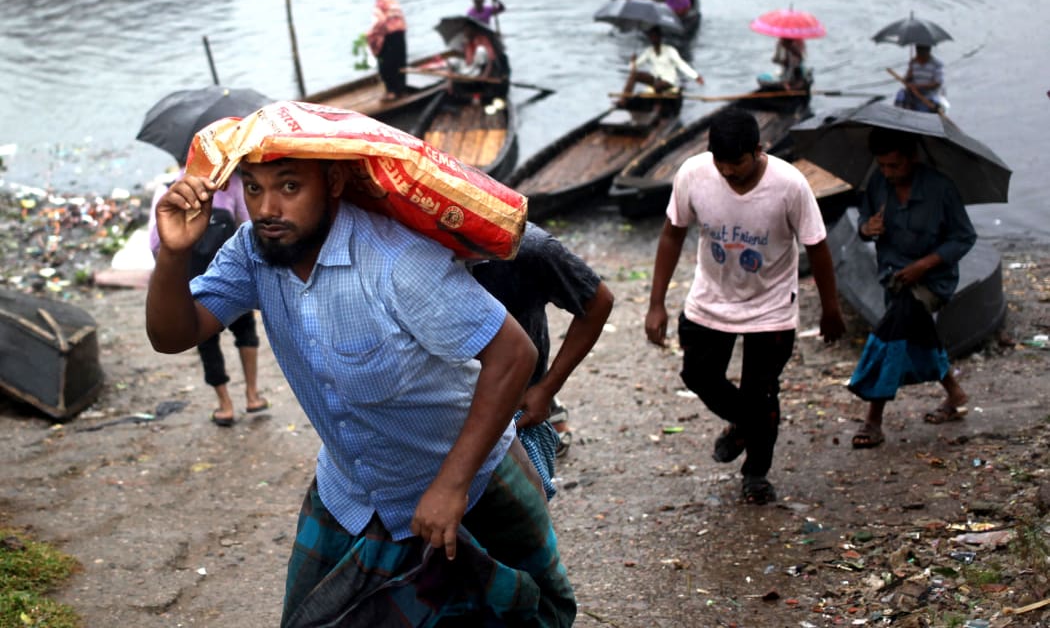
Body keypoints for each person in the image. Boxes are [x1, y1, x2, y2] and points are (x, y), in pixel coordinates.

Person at [145, 158, 576, 626]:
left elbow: (513, 355)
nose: (267, 208)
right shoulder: (252, 252)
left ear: (332, 183)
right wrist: (173, 254)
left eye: (289, 186)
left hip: (471, 483)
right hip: (350, 488)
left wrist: (451, 486)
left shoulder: (396, 261)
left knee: (528, 616)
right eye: (253, 188)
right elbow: (172, 336)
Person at [644, 108, 845, 505]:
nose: (728, 172)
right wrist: (656, 304)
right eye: (720, 163)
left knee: (762, 392)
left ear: (758, 150)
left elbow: (817, 247)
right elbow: (672, 235)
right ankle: (744, 424)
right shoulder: (694, 174)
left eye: (737, 163)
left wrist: (830, 308)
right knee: (698, 375)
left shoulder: (790, 185)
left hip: (771, 306)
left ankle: (755, 473)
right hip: (710, 300)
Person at [847, 127, 976, 448]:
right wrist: (867, 227)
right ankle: (954, 393)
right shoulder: (878, 185)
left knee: (893, 329)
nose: (889, 174)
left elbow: (964, 237)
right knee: (919, 332)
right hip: (893, 276)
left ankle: (873, 418)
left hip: (933, 280)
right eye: (883, 167)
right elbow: (863, 222)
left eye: (895, 166)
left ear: (912, 159)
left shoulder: (940, 189)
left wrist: (924, 265)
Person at [470, 222, 615, 500]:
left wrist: (546, 390)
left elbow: (598, 301)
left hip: (516, 411)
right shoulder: (417, 249)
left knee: (523, 519)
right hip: (446, 409)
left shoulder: (527, 248)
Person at [147, 171, 268, 427]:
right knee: (246, 334)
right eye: (254, 188)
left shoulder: (168, 188)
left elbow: (155, 243)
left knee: (208, 345)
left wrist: (174, 252)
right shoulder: (233, 184)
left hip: (199, 275)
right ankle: (252, 393)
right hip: (230, 274)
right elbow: (248, 221)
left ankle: (225, 404)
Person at [620, 26, 704, 102]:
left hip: (668, 81)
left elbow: (681, 64)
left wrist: (695, 76)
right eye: (651, 37)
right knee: (634, 75)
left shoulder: (670, 50)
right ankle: (624, 99)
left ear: (660, 37)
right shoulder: (649, 51)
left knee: (658, 86)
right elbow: (633, 67)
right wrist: (633, 61)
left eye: (655, 36)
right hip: (655, 79)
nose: (653, 39)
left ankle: (658, 106)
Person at [366, 0, 407, 101]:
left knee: (386, 64)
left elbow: (380, 21)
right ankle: (401, 90)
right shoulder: (394, 2)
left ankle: (391, 92)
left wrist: (371, 34)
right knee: (400, 62)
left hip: (389, 35)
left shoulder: (380, 3)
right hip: (400, 33)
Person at [893, 44, 946, 113]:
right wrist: (909, 76)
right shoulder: (913, 62)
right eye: (918, 51)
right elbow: (907, 80)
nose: (919, 54)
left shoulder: (937, 64)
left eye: (922, 52)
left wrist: (918, 86)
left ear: (928, 51)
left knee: (932, 105)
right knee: (901, 94)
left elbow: (937, 83)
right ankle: (898, 113)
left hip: (929, 94)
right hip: (914, 93)